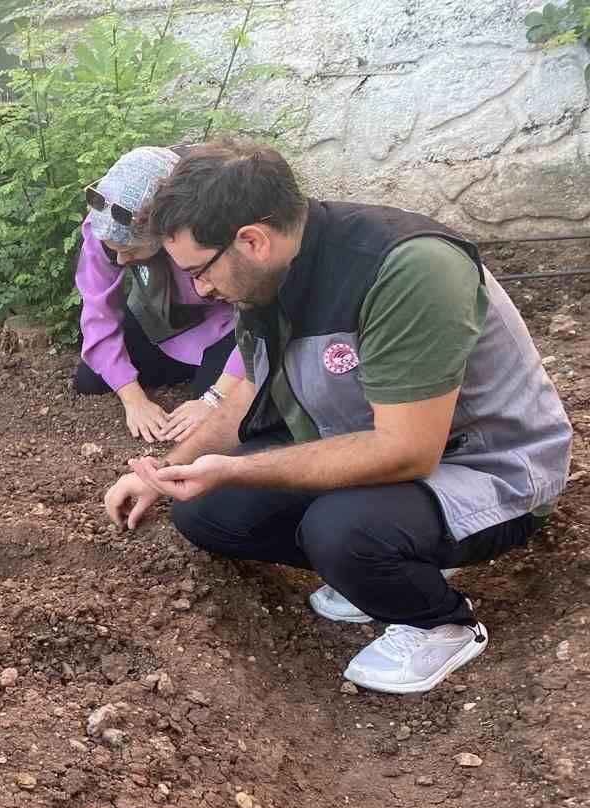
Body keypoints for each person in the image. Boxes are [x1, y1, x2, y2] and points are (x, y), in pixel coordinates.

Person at [103, 140, 571, 694]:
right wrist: (162, 471)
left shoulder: (407, 270)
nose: (200, 289)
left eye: (199, 272)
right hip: (379, 454)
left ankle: (440, 621)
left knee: (341, 533)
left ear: (251, 240)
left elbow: (407, 450)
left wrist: (234, 468)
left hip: (490, 470)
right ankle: (391, 559)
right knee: (205, 512)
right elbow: (243, 392)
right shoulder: (267, 277)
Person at [75, 145, 245, 443]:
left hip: (228, 327)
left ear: (167, 231)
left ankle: (205, 372)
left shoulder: (210, 221)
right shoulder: (104, 223)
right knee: (91, 378)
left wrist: (212, 398)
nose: (120, 262)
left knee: (212, 410)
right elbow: (97, 311)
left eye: (130, 251)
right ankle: (192, 368)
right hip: (164, 317)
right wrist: (134, 400)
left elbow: (260, 312)